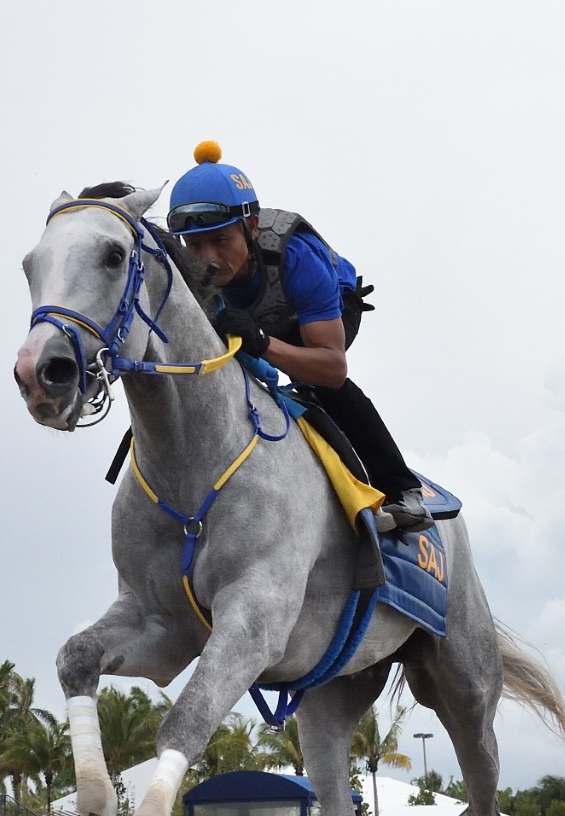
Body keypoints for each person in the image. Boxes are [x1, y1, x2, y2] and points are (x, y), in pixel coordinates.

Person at [167, 141, 430, 532]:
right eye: (195, 244)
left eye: (221, 240)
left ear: (251, 227)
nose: (207, 258)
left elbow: (333, 367)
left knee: (317, 382)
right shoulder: (188, 267)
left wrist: (263, 343)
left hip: (327, 313)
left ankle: (401, 488)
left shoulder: (297, 255)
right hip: (254, 318)